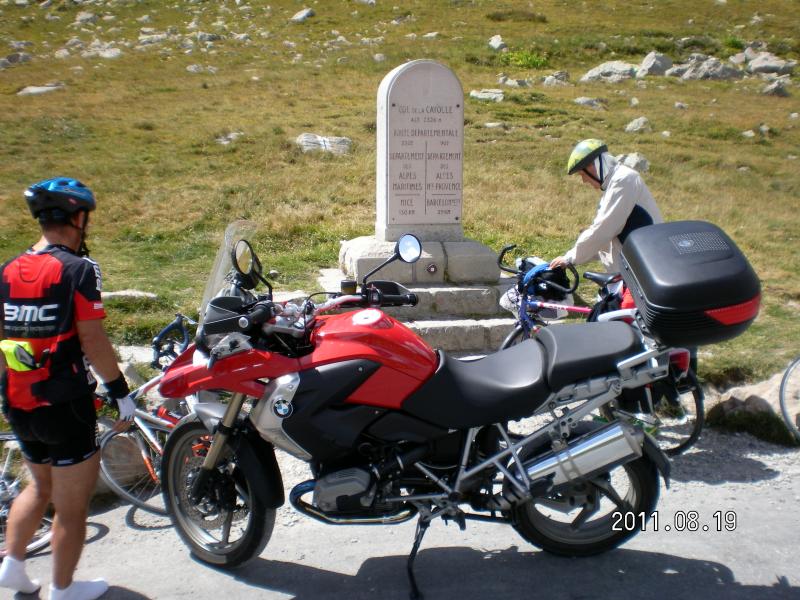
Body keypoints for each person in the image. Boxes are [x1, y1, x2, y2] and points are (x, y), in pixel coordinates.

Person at [0, 177, 135, 600]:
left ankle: (13, 567)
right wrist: (120, 389)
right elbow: (92, 338)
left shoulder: (7, 269)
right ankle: (63, 588)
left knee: (39, 486)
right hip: (63, 402)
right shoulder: (78, 269)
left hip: (18, 398)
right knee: (71, 506)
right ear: (78, 218)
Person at [549, 139, 663, 291]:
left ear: (594, 165)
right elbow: (606, 241)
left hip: (645, 269)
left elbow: (603, 229)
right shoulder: (614, 184)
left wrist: (570, 258)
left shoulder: (624, 180)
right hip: (633, 270)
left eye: (583, 174)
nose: (583, 181)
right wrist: (573, 257)